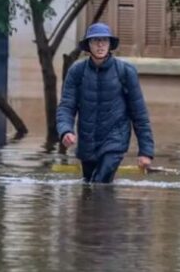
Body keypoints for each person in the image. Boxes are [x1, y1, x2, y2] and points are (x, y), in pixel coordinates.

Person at [56, 22, 155, 183]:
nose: (100, 45)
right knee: (89, 186)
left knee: (100, 182)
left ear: (110, 44)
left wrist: (145, 152)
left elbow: (139, 114)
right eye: (95, 41)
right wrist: (65, 130)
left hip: (115, 139)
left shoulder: (125, 72)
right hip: (87, 142)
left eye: (104, 40)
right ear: (89, 45)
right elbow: (66, 106)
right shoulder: (77, 71)